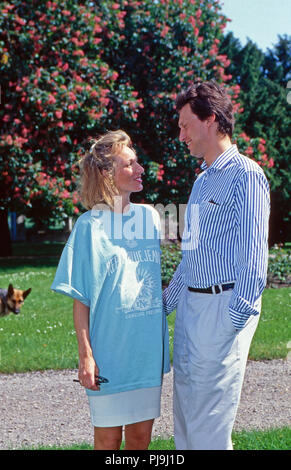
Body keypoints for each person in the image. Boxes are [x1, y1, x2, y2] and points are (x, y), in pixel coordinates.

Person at [163, 80, 270, 450]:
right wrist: (165, 305)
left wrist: (232, 323)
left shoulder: (247, 175)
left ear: (209, 119)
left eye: (184, 125)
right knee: (185, 421)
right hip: (192, 312)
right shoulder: (201, 183)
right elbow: (191, 256)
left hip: (221, 311)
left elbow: (254, 262)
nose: (181, 135)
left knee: (209, 428)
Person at [51, 130, 170, 450]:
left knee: (141, 438)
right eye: (130, 164)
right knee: (106, 439)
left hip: (145, 353)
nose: (141, 169)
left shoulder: (151, 218)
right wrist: (86, 357)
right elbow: (81, 300)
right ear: (107, 173)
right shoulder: (88, 227)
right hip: (109, 355)